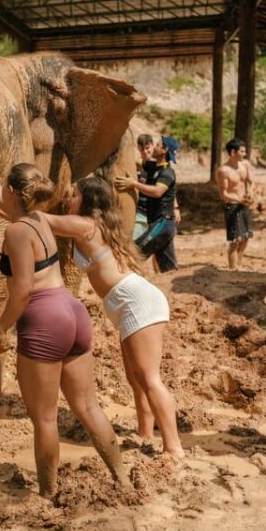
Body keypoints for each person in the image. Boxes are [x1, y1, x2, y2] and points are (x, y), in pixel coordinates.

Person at [0, 138, 128, 497]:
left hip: (43, 316)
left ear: (12, 192)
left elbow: (22, 288)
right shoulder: (42, 219)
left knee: (44, 418)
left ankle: (47, 494)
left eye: (4, 189)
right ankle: (121, 476)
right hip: (72, 310)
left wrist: (0, 328)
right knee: (87, 406)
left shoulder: (15, 232)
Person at [49, 176, 184, 457]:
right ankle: (145, 433)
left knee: (149, 378)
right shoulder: (91, 225)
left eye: (73, 194)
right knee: (135, 378)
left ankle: (174, 448)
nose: (68, 198)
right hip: (126, 303)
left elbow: (38, 220)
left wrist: (7, 207)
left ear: (87, 201)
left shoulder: (84, 225)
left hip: (136, 301)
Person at [117, 135, 180, 273]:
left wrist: (134, 184)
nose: (154, 148)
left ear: (164, 150)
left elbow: (157, 191)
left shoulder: (167, 173)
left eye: (158, 145)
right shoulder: (153, 167)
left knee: (134, 253)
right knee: (168, 267)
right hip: (159, 223)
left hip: (163, 223)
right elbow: (140, 163)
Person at [215, 138, 254, 269]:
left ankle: (239, 264)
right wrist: (239, 199)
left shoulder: (245, 165)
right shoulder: (224, 171)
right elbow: (223, 194)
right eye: (242, 151)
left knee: (246, 237)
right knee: (235, 239)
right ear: (233, 152)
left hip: (244, 205)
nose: (245, 154)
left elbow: (250, 181)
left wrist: (251, 193)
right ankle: (233, 269)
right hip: (231, 206)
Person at [132, 134, 154, 240]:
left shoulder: (159, 165)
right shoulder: (136, 166)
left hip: (155, 213)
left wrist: (175, 208)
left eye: (147, 148)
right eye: (142, 149)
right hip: (140, 212)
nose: (145, 152)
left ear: (152, 145)